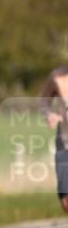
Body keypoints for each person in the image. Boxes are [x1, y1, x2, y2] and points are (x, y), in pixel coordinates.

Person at [41, 66, 68, 213]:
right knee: (65, 202)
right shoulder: (56, 77)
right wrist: (49, 114)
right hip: (64, 144)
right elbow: (44, 102)